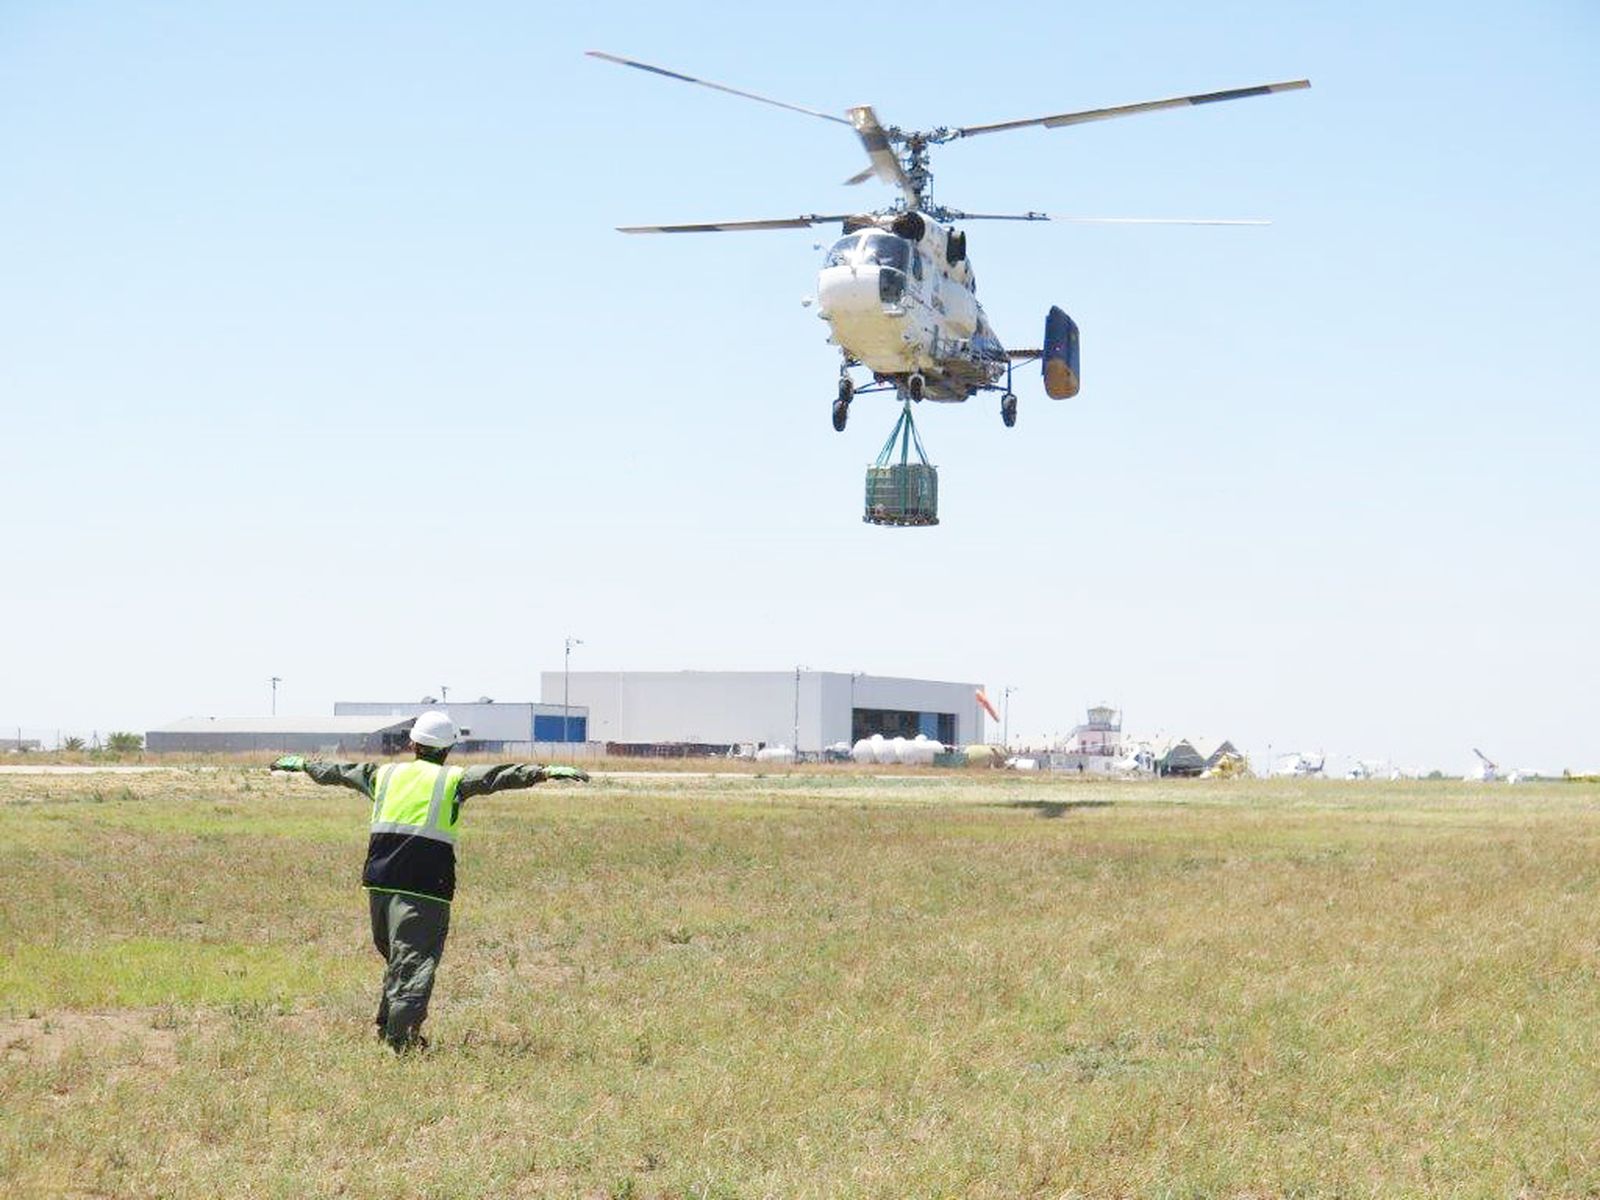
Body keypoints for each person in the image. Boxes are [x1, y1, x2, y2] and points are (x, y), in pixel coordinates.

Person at [270, 711, 588, 1052]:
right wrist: (542, 772)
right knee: (413, 964)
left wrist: (304, 764)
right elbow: (496, 777)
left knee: (399, 960)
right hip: (424, 887)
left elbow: (339, 771)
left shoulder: (383, 775)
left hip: (379, 883)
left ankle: (387, 1025)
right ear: (449, 747)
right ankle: (400, 1043)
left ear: (412, 743)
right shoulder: (453, 780)